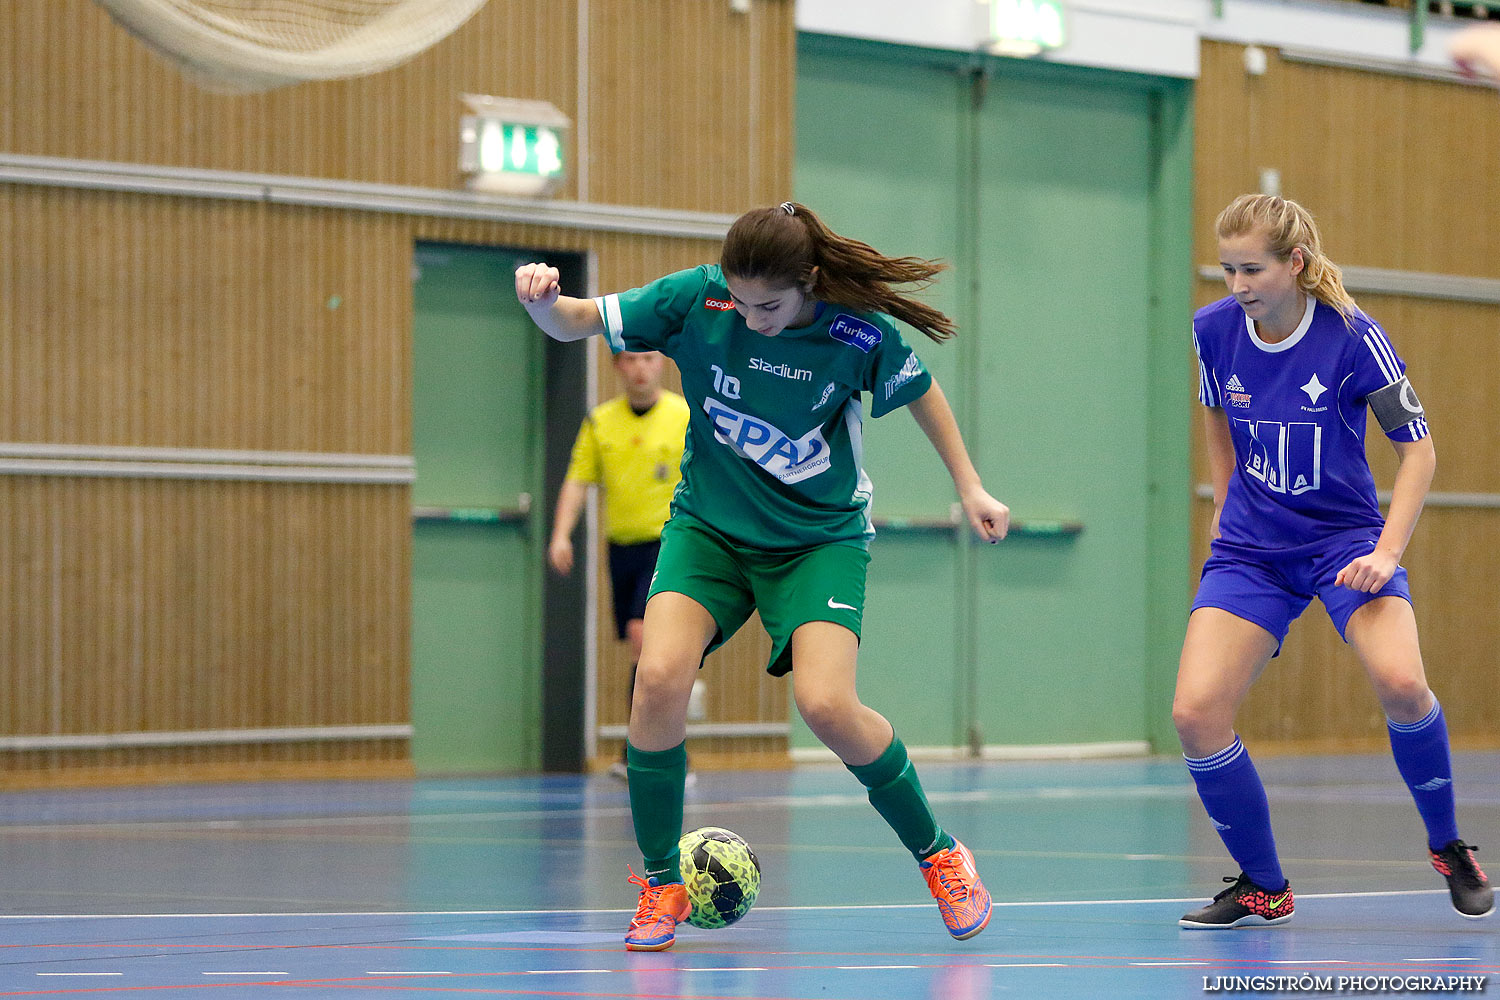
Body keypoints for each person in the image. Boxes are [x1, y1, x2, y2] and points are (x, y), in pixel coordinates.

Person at [515, 201, 1010, 951]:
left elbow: (923, 395)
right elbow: (575, 321)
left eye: (770, 306)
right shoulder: (695, 299)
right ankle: (659, 884)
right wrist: (544, 304)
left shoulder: (854, 332)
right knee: (657, 679)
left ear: (808, 281)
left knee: (826, 705)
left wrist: (970, 485)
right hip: (710, 531)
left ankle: (941, 854)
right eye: (740, 304)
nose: (752, 319)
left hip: (816, 541)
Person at [1174, 193, 1493, 929]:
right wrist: (1227, 502)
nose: (1237, 285)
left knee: (1403, 682)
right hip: (1252, 550)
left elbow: (1419, 452)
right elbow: (1216, 413)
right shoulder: (1213, 329)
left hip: (1344, 543)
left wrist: (1386, 553)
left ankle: (1447, 844)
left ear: (1296, 263)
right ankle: (1263, 885)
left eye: (1251, 268)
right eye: (1226, 270)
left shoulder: (1354, 337)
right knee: (1195, 714)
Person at [548, 349, 692, 780]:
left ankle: (651, 754)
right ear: (617, 367)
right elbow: (578, 480)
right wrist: (560, 534)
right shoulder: (600, 422)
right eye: (630, 360)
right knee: (648, 650)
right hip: (623, 548)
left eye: (648, 358)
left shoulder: (685, 415)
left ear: (662, 362)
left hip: (669, 542)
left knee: (643, 639)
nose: (640, 369)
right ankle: (653, 751)